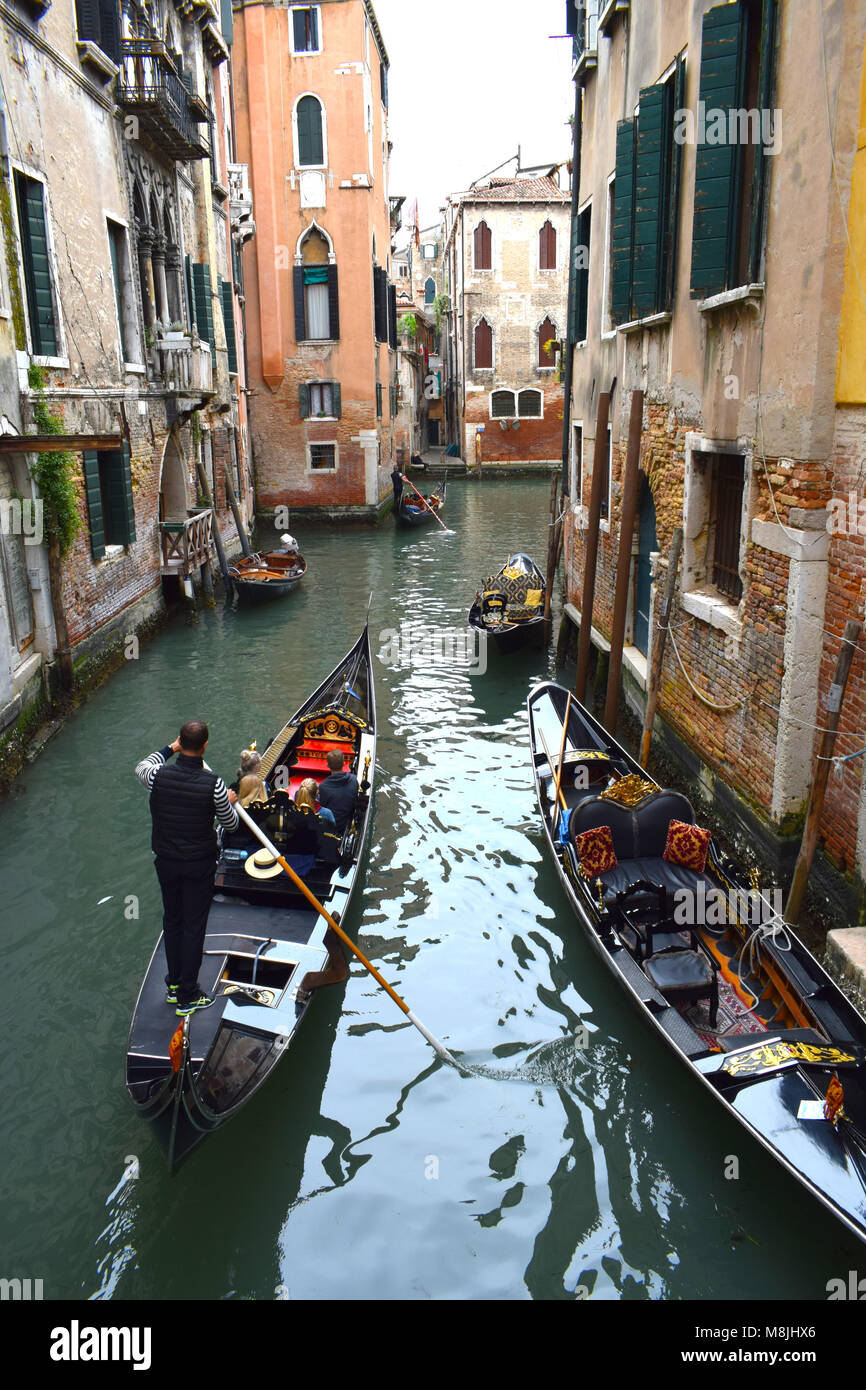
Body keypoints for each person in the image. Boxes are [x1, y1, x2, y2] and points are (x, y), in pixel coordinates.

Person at [136, 720, 238, 1017]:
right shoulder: (214, 784)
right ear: (205, 746)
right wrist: (229, 803)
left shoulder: (158, 775)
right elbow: (229, 823)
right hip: (198, 864)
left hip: (166, 861)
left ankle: (173, 984)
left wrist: (169, 748)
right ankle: (188, 995)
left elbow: (142, 766)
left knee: (173, 920)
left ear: (181, 742)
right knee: (193, 925)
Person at [316, 749, 359, 835]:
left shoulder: (323, 787)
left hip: (332, 827)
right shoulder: (354, 779)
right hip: (347, 823)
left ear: (328, 765)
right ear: (344, 763)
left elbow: (321, 808)